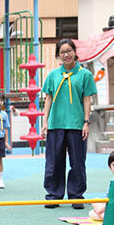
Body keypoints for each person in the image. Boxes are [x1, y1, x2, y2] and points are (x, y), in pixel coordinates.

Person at [42, 38, 97, 209]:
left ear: (74, 52)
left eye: (69, 51)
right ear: (58, 55)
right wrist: (45, 122)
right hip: (55, 124)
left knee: (77, 162)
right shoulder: (53, 75)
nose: (66, 55)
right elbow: (48, 98)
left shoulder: (84, 74)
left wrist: (86, 122)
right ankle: (54, 195)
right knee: (54, 162)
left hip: (76, 125)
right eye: (62, 52)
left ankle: (76, 195)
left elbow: (86, 99)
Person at [0, 93, 11, 189]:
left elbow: (6, 128)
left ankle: (0, 179)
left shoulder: (4, 115)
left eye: (1, 100)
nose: (0, 102)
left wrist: (6, 141)